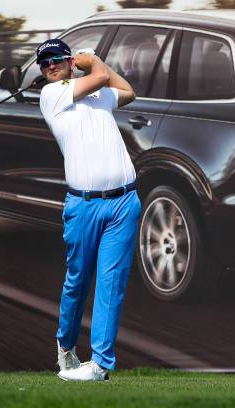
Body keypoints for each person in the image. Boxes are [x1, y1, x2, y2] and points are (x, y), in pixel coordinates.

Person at [36, 38, 140, 381]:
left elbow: (127, 90)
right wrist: (89, 60)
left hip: (125, 202)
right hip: (83, 206)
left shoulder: (99, 95)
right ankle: (66, 347)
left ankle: (100, 365)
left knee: (111, 283)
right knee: (77, 281)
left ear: (69, 61)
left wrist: (93, 60)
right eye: (43, 62)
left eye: (56, 58)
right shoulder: (52, 95)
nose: (49, 65)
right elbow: (98, 76)